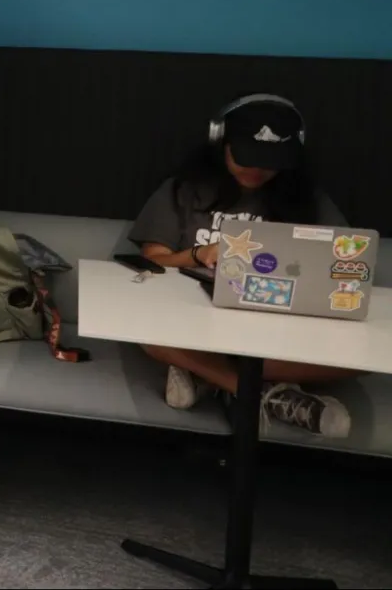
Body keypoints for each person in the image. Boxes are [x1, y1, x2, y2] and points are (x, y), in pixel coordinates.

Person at [129, 94, 356, 437]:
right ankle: (262, 393)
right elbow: (152, 261)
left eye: (270, 162)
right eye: (246, 158)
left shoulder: (308, 200)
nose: (257, 170)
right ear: (220, 142)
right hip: (193, 321)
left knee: (360, 363)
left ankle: (209, 377)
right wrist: (197, 254)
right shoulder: (184, 190)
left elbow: (345, 260)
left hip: (277, 327)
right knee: (144, 333)